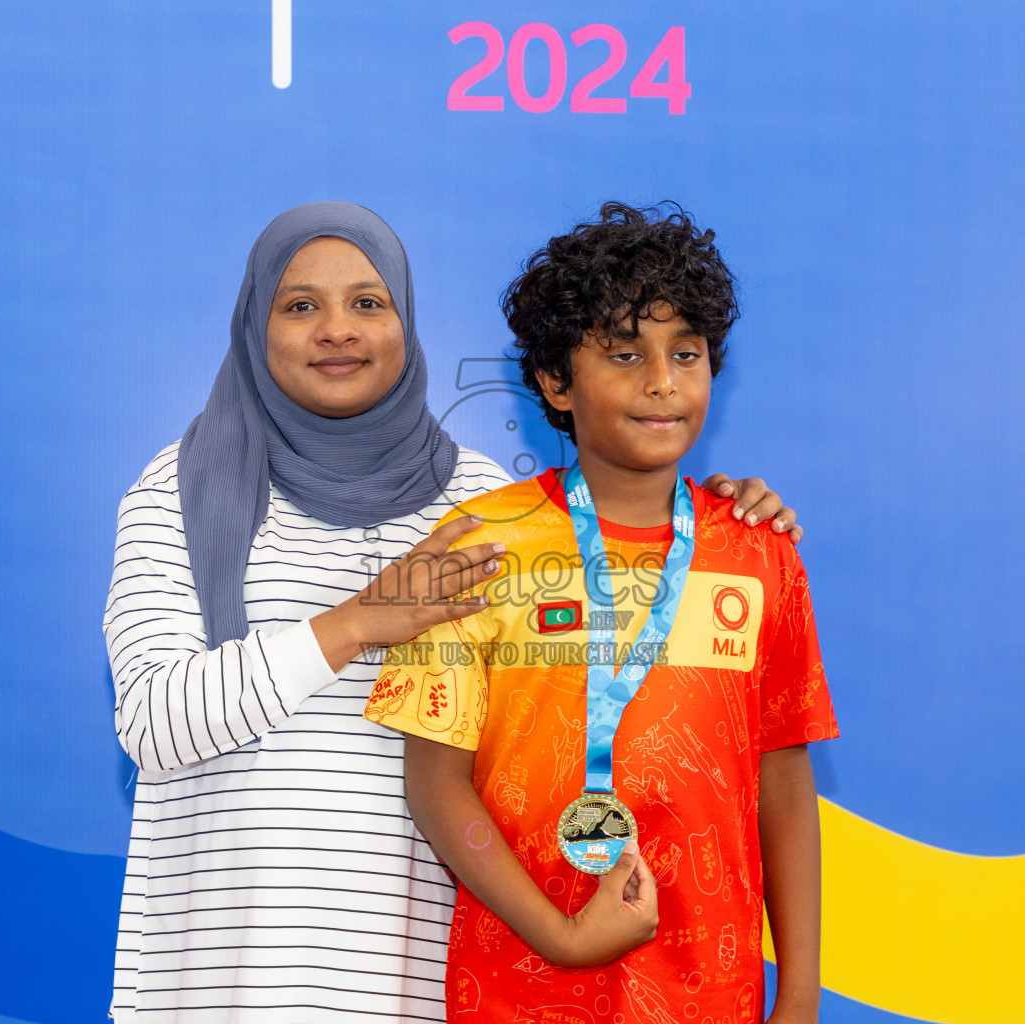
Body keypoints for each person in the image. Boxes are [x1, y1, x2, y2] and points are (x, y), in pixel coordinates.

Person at [105, 201, 806, 1022]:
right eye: (301, 306)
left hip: (415, 985)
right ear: (253, 327)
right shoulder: (179, 493)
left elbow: (624, 559)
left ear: (407, 320)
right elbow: (153, 721)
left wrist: (733, 514)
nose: (339, 329)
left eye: (369, 302)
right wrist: (358, 620)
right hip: (227, 975)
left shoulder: (480, 506)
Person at [365, 202, 837, 1023]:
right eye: (625, 355)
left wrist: (798, 995)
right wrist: (560, 937)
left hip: (710, 994)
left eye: (685, 353)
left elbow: (784, 782)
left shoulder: (759, 552)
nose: (662, 381)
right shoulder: (480, 546)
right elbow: (435, 785)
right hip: (519, 985)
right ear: (554, 381)